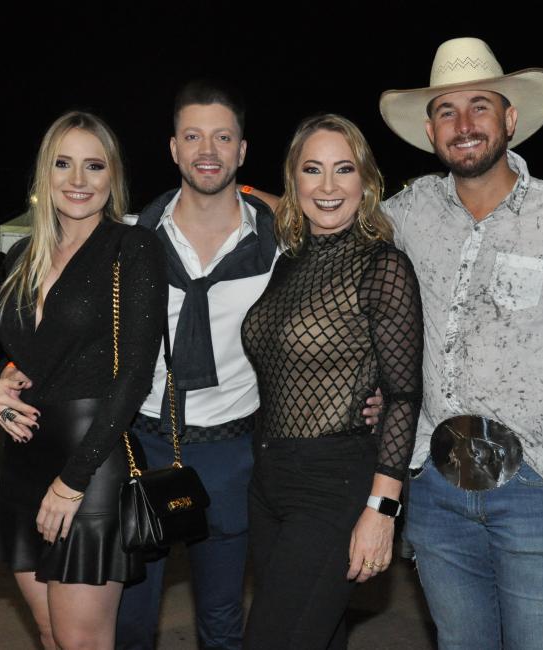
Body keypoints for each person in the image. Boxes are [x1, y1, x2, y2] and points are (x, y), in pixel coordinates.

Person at [115, 82, 383, 650]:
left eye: (222, 137)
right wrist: (10, 367)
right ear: (174, 149)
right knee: (130, 623)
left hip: (236, 453)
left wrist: (372, 384)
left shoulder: (281, 242)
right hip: (145, 447)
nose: (207, 150)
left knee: (222, 621)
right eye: (193, 136)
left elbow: (351, 299)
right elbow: (75, 320)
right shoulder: (134, 237)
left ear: (241, 151)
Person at [379, 37, 543, 650]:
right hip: (435, 485)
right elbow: (327, 220)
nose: (464, 124)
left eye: (480, 107)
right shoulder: (406, 214)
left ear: (509, 119)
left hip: (538, 488)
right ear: (430, 131)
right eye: (447, 111)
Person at [0, 111, 167, 650]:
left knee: (80, 640)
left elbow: (134, 374)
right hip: (24, 457)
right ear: (45, 173)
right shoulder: (21, 256)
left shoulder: (132, 248)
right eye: (64, 164)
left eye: (94, 166)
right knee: (48, 633)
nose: (78, 179)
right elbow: (25, 355)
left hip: (92, 458)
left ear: (113, 176)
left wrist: (73, 480)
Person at [240, 113, 422, 650]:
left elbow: (404, 395)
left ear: (365, 180)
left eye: (343, 169)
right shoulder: (289, 264)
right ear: (293, 180)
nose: (327, 186)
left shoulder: (383, 267)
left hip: (333, 483)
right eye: (312, 169)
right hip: (267, 479)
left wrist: (382, 510)